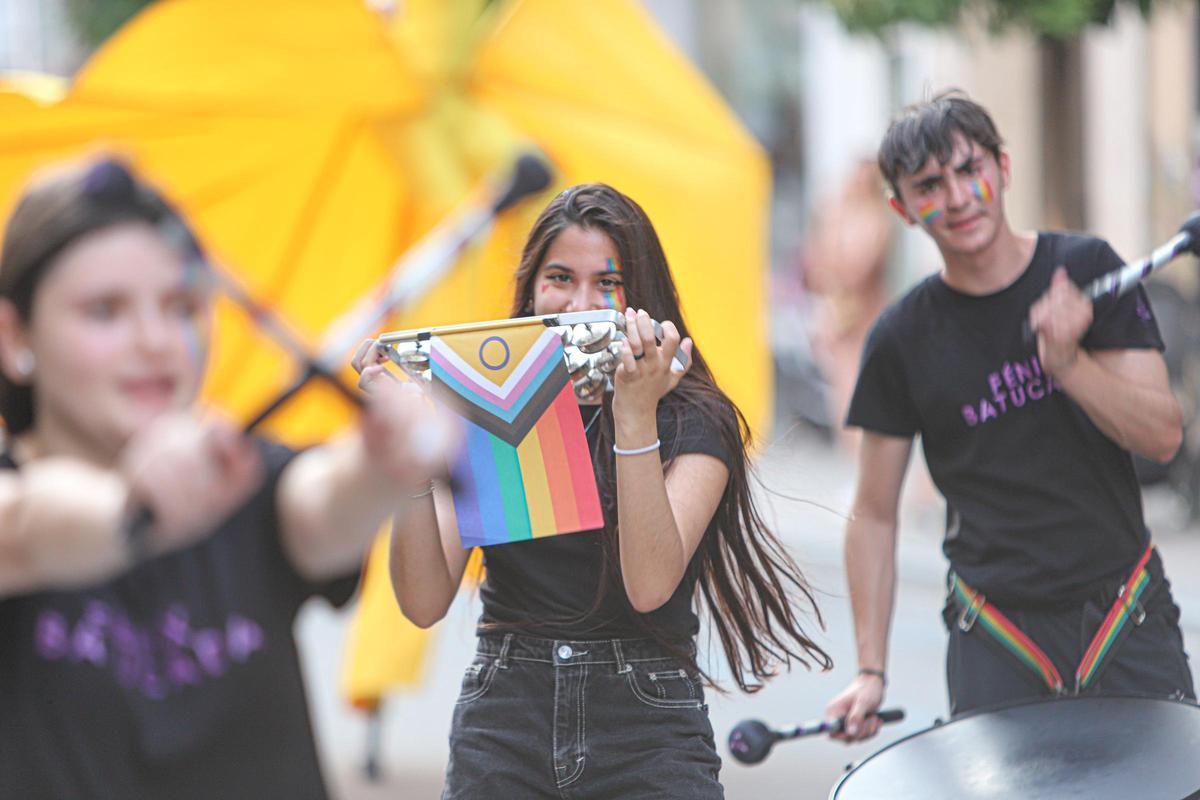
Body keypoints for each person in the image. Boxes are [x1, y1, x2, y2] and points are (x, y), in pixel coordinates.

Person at [356, 183, 831, 798]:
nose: (581, 304)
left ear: (643, 296)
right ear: (530, 291)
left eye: (608, 283)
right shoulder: (489, 399)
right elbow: (422, 602)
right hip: (505, 718)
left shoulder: (694, 419)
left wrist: (634, 416)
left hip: (647, 726)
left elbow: (649, 583)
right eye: (560, 278)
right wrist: (412, 456)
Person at [0, 157, 452, 799]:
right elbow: (25, 526)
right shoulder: (17, 502)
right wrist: (130, 507)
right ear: (13, 335)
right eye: (105, 311)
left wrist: (381, 463)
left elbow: (324, 505)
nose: (156, 340)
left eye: (182, 305)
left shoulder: (240, 479)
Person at [824, 90, 1195, 742]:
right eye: (930, 184)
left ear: (1003, 167)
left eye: (971, 170)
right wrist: (870, 670)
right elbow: (875, 511)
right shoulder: (900, 337)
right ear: (902, 208)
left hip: (1124, 614)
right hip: (996, 635)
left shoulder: (1085, 271)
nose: (960, 197)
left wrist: (1071, 366)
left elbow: (1163, 436)